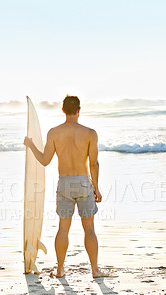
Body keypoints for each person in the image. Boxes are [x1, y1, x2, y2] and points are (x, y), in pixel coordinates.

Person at [24, 95, 107, 278]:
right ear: (79, 110)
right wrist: (97, 188)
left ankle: (60, 269)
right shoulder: (90, 133)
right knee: (89, 229)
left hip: (64, 183)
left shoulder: (54, 133)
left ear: (63, 110)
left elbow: (45, 161)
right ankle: (94, 270)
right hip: (84, 183)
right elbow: (94, 164)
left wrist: (30, 145)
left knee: (63, 228)